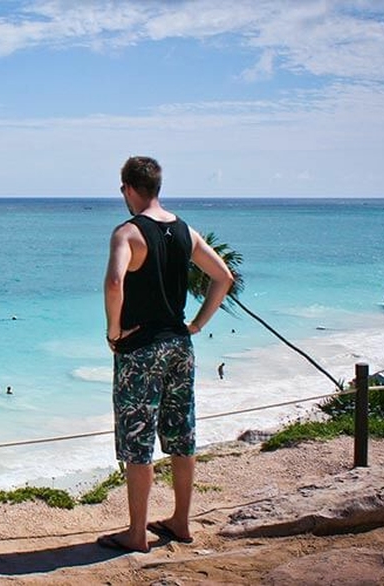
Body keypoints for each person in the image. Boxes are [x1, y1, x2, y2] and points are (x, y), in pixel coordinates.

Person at [100, 156, 233, 554]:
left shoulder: (127, 233)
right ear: (157, 187)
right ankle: (180, 521)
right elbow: (223, 276)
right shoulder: (184, 231)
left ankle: (137, 533)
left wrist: (114, 331)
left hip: (140, 350)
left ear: (127, 188)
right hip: (179, 346)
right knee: (181, 434)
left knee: (139, 443)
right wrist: (196, 324)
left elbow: (114, 281)